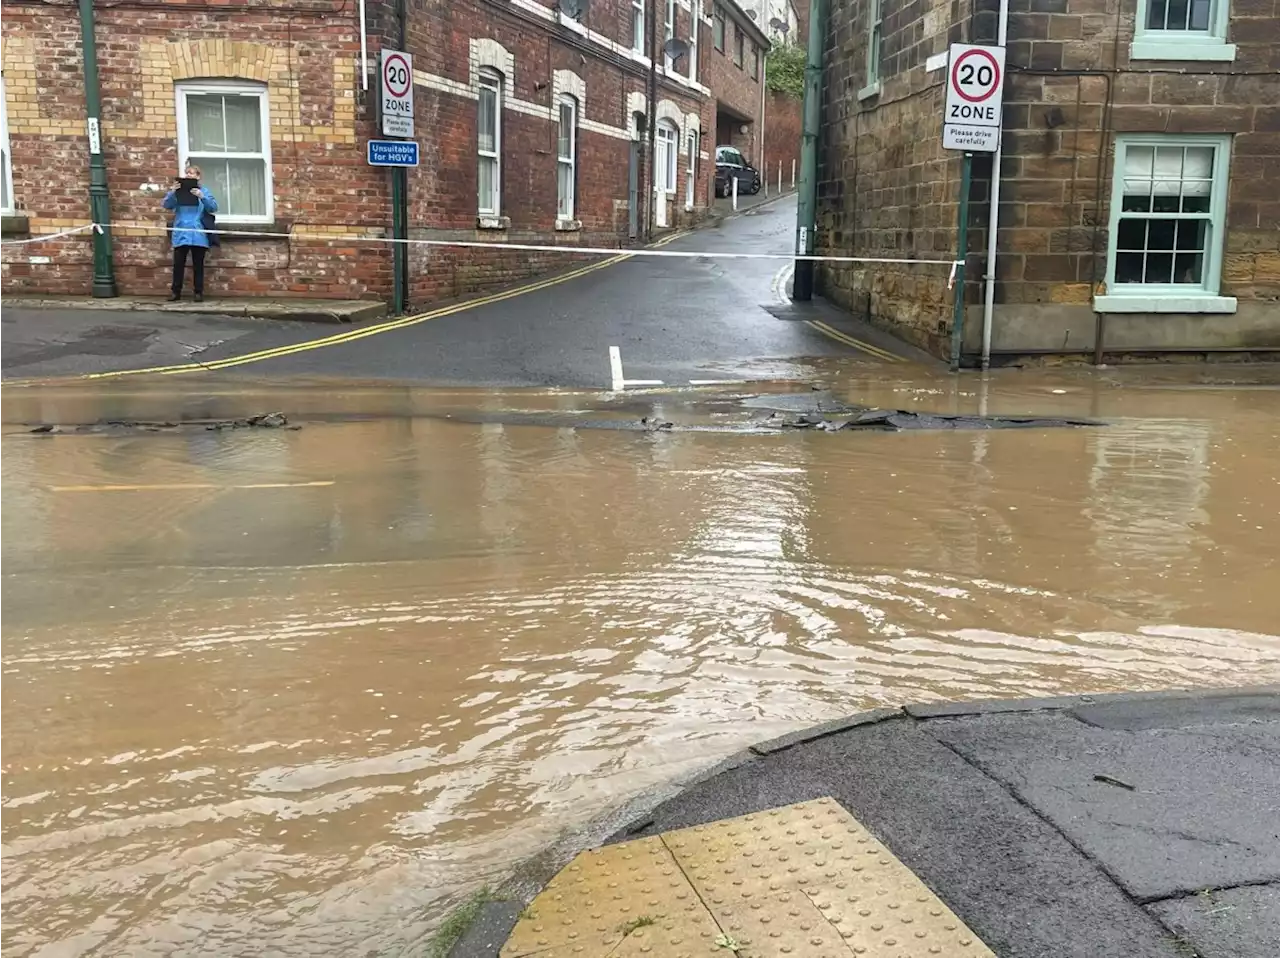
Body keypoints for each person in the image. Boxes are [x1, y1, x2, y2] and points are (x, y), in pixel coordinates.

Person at [162, 166, 218, 302]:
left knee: (198, 265)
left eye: (191, 173)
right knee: (178, 265)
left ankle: (198, 292)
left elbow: (213, 207)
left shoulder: (204, 191)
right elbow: (166, 205)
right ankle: (176, 292)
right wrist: (172, 192)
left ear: (198, 176)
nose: (188, 175)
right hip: (181, 231)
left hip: (198, 232)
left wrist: (202, 197)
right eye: (186, 173)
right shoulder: (178, 192)